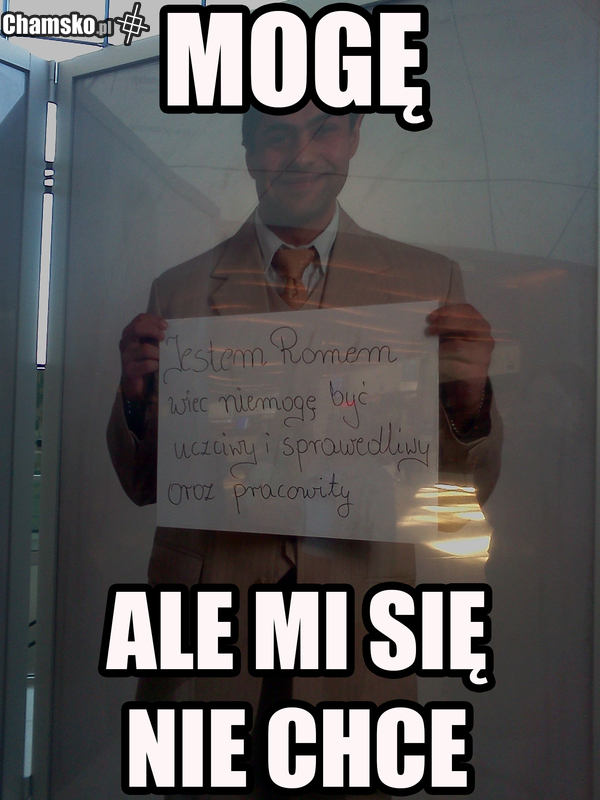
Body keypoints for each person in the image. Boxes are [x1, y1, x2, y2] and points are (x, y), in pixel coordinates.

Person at [107, 104, 501, 799]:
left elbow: (457, 499)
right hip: (210, 629)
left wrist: (468, 403)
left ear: (354, 139)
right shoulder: (178, 289)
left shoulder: (428, 283)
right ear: (249, 151)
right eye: (277, 134)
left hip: (359, 626)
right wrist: (136, 401)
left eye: (325, 128)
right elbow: (145, 486)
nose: (302, 152)